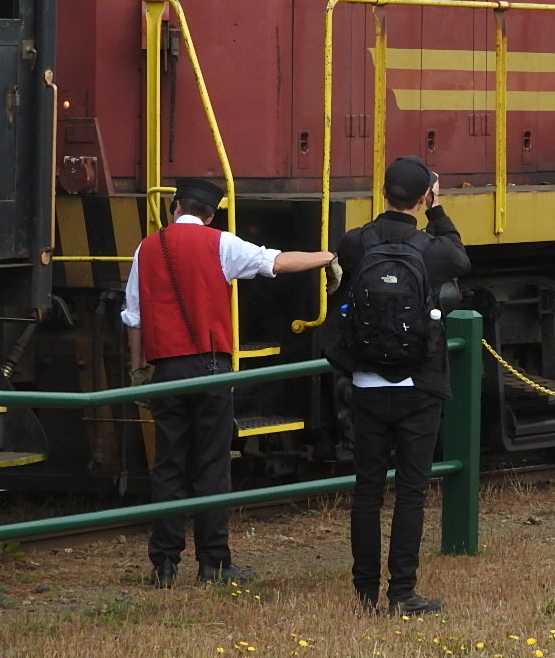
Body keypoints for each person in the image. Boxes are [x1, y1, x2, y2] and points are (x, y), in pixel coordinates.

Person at [122, 176, 335, 589]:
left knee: (168, 466)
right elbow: (276, 262)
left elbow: (134, 318)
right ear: (213, 212)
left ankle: (164, 564)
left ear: (175, 206)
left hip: (165, 371)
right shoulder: (222, 244)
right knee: (212, 466)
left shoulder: (146, 248)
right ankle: (213, 563)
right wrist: (325, 256)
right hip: (211, 368)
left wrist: (139, 371)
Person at [329, 155, 471, 617]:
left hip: (367, 383)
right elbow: (460, 257)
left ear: (384, 191)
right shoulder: (433, 250)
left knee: (367, 489)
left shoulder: (355, 243)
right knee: (411, 490)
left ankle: (365, 592)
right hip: (419, 386)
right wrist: (437, 211)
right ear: (424, 195)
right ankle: (403, 592)